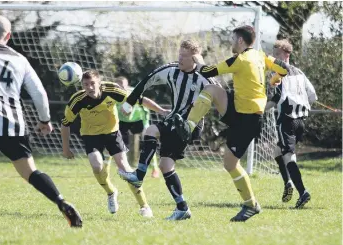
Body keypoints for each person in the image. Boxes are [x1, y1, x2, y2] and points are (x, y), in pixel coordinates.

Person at [175, 26, 290, 222]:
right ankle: (188, 126)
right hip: (240, 110)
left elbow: (207, 70)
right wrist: (275, 79)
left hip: (249, 119)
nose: (231, 42)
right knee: (211, 90)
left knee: (230, 163)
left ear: (240, 41)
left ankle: (251, 205)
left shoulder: (240, 59)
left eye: (232, 38)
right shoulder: (261, 56)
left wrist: (197, 57)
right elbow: (284, 69)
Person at [0, 16, 82, 227]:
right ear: (9, 36)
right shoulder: (20, 60)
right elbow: (39, 93)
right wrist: (44, 120)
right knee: (30, 172)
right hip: (13, 124)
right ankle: (61, 202)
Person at [119, 40, 218, 220]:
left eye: (185, 56)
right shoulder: (171, 71)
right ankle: (182, 208)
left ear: (194, 58)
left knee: (151, 130)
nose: (180, 58)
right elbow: (147, 81)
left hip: (189, 125)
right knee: (166, 165)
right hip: (174, 119)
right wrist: (129, 101)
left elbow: (219, 93)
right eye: (179, 54)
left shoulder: (204, 77)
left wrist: (202, 66)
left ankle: (139, 175)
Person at [60, 70, 168, 217]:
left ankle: (144, 206)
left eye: (93, 83)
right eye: (86, 84)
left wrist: (161, 111)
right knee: (97, 166)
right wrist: (66, 149)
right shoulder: (77, 100)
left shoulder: (111, 90)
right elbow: (65, 124)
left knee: (125, 168)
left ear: (99, 82)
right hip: (91, 135)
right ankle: (111, 193)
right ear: (82, 85)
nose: (90, 87)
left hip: (112, 133)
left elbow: (140, 99)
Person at [265, 39, 317, 208]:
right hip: (301, 121)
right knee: (277, 152)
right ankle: (288, 182)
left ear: (286, 55)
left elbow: (278, 98)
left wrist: (261, 109)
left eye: (277, 55)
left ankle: (303, 192)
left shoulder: (281, 73)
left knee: (289, 157)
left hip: (287, 120)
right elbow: (313, 96)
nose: (274, 59)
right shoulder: (300, 73)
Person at [115, 76, 160, 178]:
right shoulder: (113, 95)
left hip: (139, 119)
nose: (120, 88)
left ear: (127, 85)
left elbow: (144, 104)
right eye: (118, 86)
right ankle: (111, 167)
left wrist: (145, 123)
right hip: (123, 121)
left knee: (148, 141)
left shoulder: (133, 93)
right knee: (113, 141)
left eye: (122, 85)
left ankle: (155, 168)